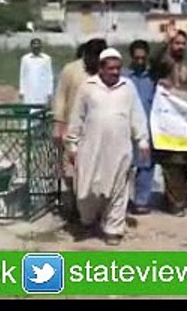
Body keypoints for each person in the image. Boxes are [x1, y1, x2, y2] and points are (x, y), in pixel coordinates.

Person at [65, 48, 150, 245]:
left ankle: (113, 228)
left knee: (119, 189)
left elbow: (137, 115)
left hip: (120, 148)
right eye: (110, 68)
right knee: (87, 189)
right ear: (101, 69)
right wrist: (72, 144)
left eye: (118, 68)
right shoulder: (88, 87)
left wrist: (142, 140)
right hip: (91, 148)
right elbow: (77, 117)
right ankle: (87, 220)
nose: (114, 72)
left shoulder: (127, 87)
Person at [52, 38, 107, 220]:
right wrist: (58, 125)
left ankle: (92, 211)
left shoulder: (106, 72)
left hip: (97, 131)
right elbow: (60, 97)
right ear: (86, 54)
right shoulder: (71, 70)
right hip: (72, 129)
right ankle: (75, 208)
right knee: (70, 171)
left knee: (95, 173)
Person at [152, 30, 187, 216]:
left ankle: (173, 196)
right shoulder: (164, 64)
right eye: (176, 43)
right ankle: (175, 203)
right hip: (169, 118)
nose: (179, 46)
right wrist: (165, 41)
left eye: (182, 43)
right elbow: (154, 59)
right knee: (172, 162)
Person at [124, 40, 157, 215]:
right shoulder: (122, 77)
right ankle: (120, 201)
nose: (139, 61)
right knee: (123, 166)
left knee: (146, 166)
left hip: (148, 128)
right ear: (131, 57)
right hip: (125, 128)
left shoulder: (153, 77)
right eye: (136, 58)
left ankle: (141, 201)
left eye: (143, 58)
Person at [19, 38, 54, 106]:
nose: (36, 46)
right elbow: (22, 75)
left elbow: (49, 76)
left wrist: (50, 91)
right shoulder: (25, 59)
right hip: (29, 89)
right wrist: (22, 90)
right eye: (34, 44)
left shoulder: (46, 59)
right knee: (29, 108)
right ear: (31, 46)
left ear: (41, 46)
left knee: (41, 109)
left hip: (42, 90)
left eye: (38, 44)